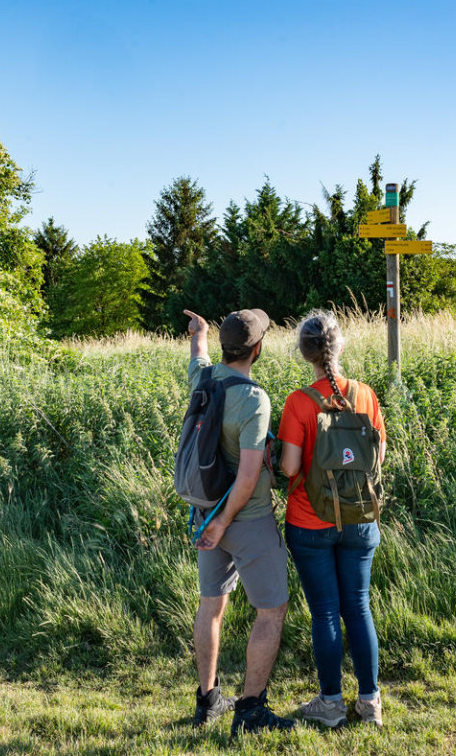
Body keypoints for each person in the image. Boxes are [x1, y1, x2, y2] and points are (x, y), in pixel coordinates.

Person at [183, 308, 295, 736]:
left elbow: (197, 355)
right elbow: (248, 478)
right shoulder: (254, 399)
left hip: (204, 511)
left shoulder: (205, 379)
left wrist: (200, 334)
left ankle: (207, 701)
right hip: (244, 520)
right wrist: (223, 522)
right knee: (272, 609)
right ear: (258, 348)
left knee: (211, 605)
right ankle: (250, 711)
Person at [278, 310, 387, 728]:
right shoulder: (365, 394)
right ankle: (370, 701)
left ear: (305, 352)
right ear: (339, 346)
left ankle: (330, 703)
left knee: (325, 611)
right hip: (361, 518)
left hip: (311, 520)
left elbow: (289, 468)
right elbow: (377, 456)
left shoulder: (299, 402)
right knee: (359, 606)